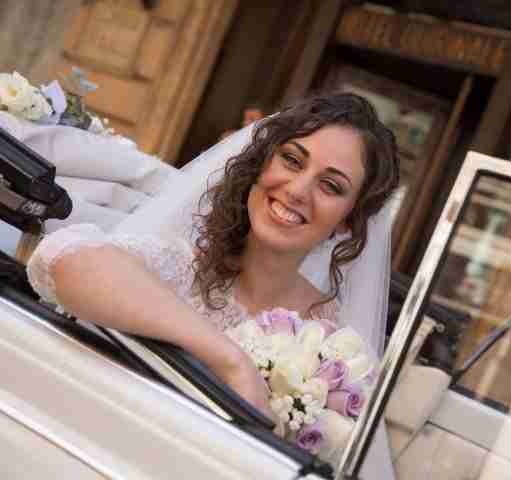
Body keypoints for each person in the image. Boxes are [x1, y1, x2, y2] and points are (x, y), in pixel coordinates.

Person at [26, 92, 400, 426]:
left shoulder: (337, 349)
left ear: (349, 220)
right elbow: (58, 256)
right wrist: (231, 361)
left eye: (331, 186)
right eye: (291, 160)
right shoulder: (177, 265)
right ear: (263, 163)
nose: (298, 190)